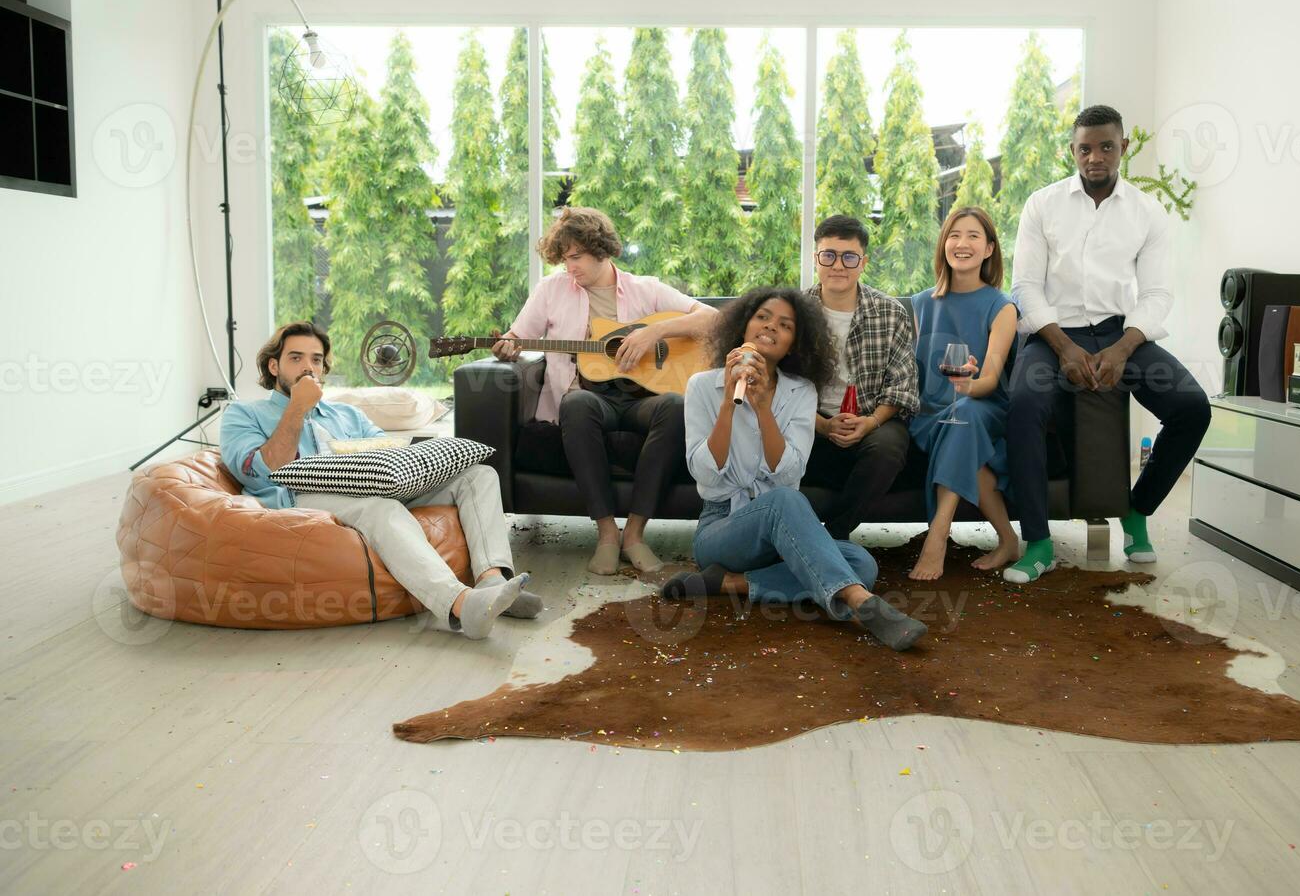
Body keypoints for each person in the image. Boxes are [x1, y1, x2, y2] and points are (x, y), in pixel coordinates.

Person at [220, 322, 541, 639]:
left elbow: (388, 456)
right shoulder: (243, 414)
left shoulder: (347, 415)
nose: (308, 367)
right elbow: (263, 469)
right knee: (380, 508)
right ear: (274, 366)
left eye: (316, 359)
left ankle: (492, 582)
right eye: (296, 358)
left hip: (372, 486)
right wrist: (298, 408)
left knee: (479, 475)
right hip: (300, 496)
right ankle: (461, 605)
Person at [1007, 104, 1211, 584]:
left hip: (1124, 335)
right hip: (1053, 333)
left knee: (1192, 407)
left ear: (1123, 147)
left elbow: (1158, 293)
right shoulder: (1043, 204)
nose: (1094, 156)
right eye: (1084, 148)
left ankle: (1137, 511)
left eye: (1105, 146)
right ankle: (1037, 540)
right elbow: (1025, 287)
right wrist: (1062, 347)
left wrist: (1122, 349)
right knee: (1023, 404)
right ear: (1073, 151)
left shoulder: (1148, 211)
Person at [662, 288, 929, 652]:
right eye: (763, 318)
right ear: (744, 326)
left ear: (794, 343)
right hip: (722, 528)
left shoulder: (802, 392)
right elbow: (706, 475)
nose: (771, 327)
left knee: (862, 563)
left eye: (784, 325)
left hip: (779, 528)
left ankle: (730, 584)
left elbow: (788, 474)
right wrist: (729, 402)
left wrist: (762, 409)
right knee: (789, 507)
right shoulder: (702, 386)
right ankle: (861, 603)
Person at [493, 207, 719, 576]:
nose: (570, 268)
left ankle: (634, 533)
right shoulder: (552, 289)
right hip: (590, 398)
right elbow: (517, 335)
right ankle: (606, 536)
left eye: (577, 257)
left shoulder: (645, 288)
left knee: (676, 406)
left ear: (601, 250)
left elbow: (714, 318)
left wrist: (653, 333)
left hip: (640, 400)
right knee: (577, 403)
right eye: (565, 260)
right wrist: (507, 343)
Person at [907, 207, 1022, 581]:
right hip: (928, 413)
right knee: (970, 449)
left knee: (968, 416)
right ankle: (1007, 540)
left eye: (974, 236)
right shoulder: (921, 303)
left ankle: (937, 535)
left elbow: (990, 378)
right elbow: (910, 372)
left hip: (983, 406)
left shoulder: (1001, 307)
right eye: (955, 235)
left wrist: (969, 385)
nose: (962, 243)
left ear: (989, 249)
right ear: (944, 245)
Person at [802, 215, 921, 540]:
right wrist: (822, 425)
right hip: (809, 422)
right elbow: (781, 385)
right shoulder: (796, 311)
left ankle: (834, 538)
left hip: (870, 421)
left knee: (890, 445)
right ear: (816, 259)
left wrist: (869, 423)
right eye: (828, 255)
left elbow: (902, 388)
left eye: (849, 257)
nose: (837, 265)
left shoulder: (891, 312)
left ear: (863, 262)